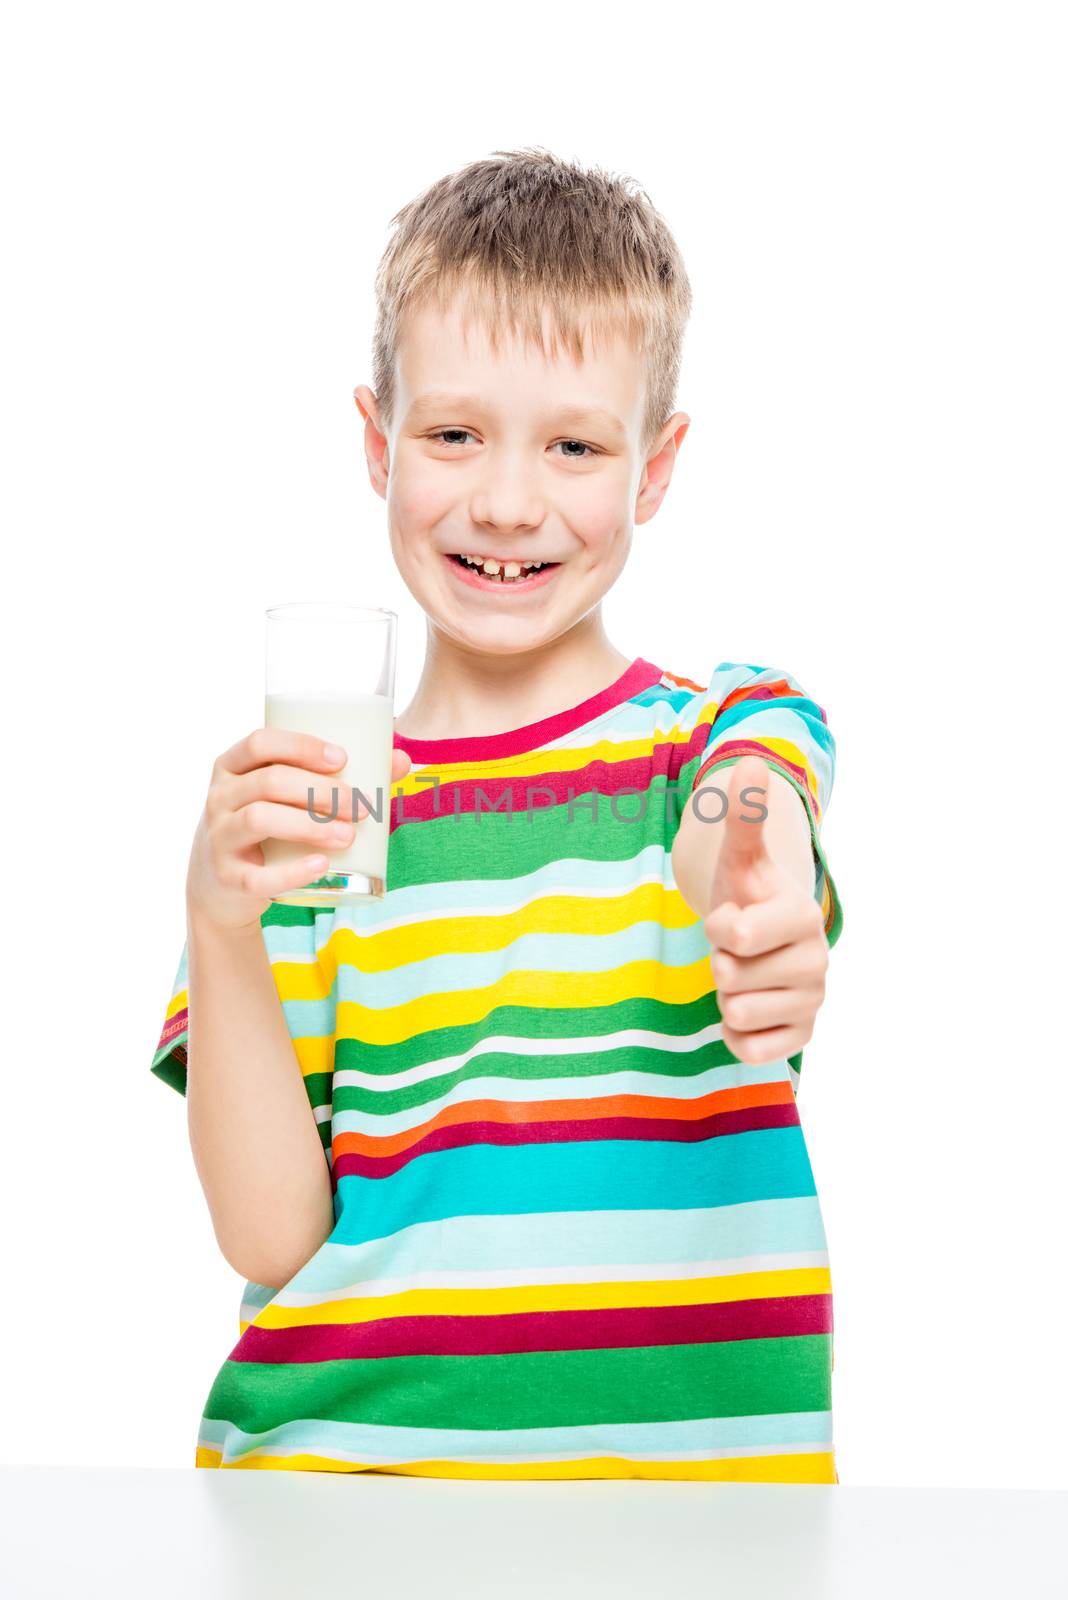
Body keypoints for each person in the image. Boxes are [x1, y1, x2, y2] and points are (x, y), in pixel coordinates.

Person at [151, 146, 844, 1482]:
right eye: (454, 433)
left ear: (653, 469)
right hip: (344, 1495)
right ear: (377, 442)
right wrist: (219, 923)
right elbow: (266, 1237)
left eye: (575, 445)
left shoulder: (710, 743)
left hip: (692, 1529)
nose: (509, 502)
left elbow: (750, 791)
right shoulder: (318, 812)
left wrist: (761, 883)